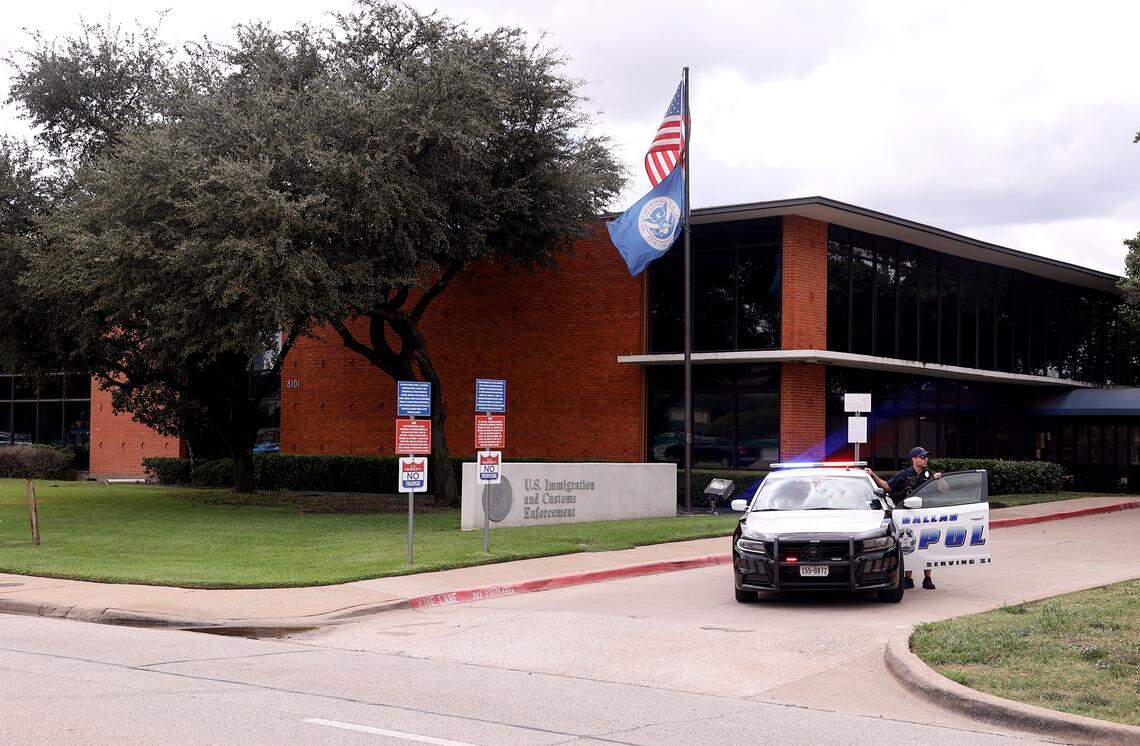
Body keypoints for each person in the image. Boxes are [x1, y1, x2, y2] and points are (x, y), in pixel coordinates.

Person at [866, 446, 942, 590]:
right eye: (922, 456)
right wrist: (873, 475)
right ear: (914, 459)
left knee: (926, 545)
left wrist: (939, 480)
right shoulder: (905, 474)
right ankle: (908, 578)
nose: (926, 459)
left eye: (926, 456)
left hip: (925, 515)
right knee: (909, 544)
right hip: (909, 515)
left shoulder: (929, 474)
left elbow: (944, 490)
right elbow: (887, 486)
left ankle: (928, 578)